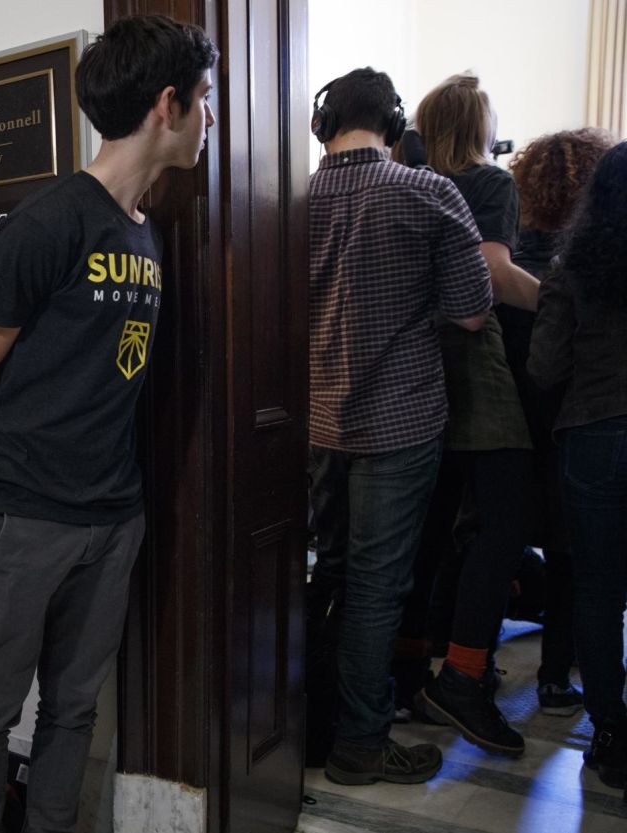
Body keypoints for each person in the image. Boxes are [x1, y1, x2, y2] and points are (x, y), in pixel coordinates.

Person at [0, 16, 212, 831]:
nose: (210, 118)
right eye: (204, 99)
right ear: (167, 104)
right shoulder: (49, 220)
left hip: (110, 514)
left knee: (74, 708)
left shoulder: (144, 231)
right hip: (20, 513)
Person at [304, 67, 493, 785]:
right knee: (380, 588)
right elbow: (472, 311)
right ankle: (360, 739)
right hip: (400, 415)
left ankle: (319, 722)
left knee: (338, 572)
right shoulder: (429, 191)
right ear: (395, 123)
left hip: (320, 416)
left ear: (325, 125)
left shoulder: (291, 201)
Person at [400, 73, 536, 758]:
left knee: (437, 524)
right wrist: (559, 300)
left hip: (418, 366)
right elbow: (494, 273)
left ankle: (414, 668)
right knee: (506, 520)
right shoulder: (487, 183)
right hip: (474, 363)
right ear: (479, 126)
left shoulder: (409, 182)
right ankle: (461, 675)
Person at [502, 129, 615, 717]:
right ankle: (560, 675)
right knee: (583, 569)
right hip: (576, 425)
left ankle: (474, 660)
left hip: (527, 426)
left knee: (519, 548)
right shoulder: (583, 264)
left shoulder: (518, 255)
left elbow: (536, 363)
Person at [530, 140, 627, 795]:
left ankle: (612, 736)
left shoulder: (575, 265)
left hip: (595, 433)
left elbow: (543, 368)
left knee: (597, 591)